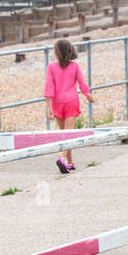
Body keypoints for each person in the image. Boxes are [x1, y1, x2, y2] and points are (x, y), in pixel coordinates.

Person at [43, 39, 93, 174]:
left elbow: (49, 88)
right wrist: (88, 95)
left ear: (57, 53)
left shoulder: (51, 67)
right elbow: (82, 84)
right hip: (71, 102)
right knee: (69, 134)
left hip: (57, 103)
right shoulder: (75, 66)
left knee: (65, 134)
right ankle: (62, 158)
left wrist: (49, 108)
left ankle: (70, 163)